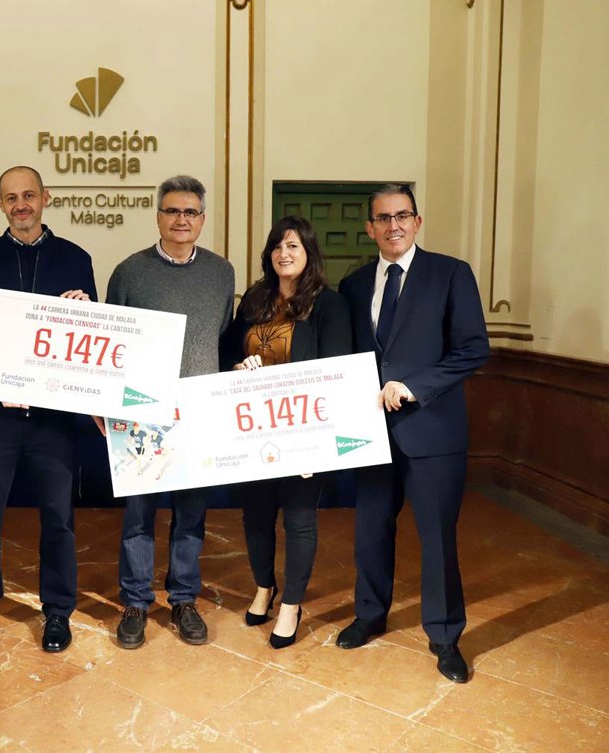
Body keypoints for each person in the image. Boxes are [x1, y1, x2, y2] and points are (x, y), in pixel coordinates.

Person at [336, 184, 489, 683]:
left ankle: (445, 636)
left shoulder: (451, 274)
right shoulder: (354, 285)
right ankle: (369, 614)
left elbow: (472, 349)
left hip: (433, 433)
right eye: (383, 218)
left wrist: (415, 387)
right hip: (370, 433)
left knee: (437, 538)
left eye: (402, 216)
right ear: (370, 228)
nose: (393, 225)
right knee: (370, 531)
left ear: (417, 222)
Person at [0, 165, 96, 655]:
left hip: (54, 417)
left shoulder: (76, 259)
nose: (21, 204)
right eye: (11, 197)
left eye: (29, 195)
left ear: (45, 198)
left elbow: (91, 342)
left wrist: (84, 311)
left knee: (58, 518)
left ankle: (57, 611)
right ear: (0, 205)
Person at [103, 174, 234, 649]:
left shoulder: (222, 272)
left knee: (191, 514)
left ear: (202, 219)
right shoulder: (129, 272)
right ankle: (136, 602)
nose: (182, 219)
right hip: (142, 412)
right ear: (158, 216)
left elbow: (221, 334)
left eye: (190, 212)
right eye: (173, 211)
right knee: (139, 515)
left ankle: (183, 599)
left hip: (197, 412)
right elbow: (111, 343)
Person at [221, 216, 352, 648]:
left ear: (309, 252)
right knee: (256, 516)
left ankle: (292, 604)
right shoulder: (254, 299)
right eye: (278, 246)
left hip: (304, 430)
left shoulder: (329, 305)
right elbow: (228, 353)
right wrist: (239, 366)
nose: (284, 253)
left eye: (293, 246)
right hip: (252, 429)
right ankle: (264, 587)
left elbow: (336, 371)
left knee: (298, 519)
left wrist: (319, 444)